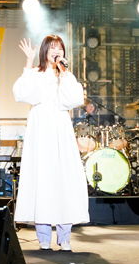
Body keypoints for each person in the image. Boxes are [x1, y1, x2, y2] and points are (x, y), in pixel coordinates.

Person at [13, 35, 90, 252]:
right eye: (53, 48)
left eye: (60, 48)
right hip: (40, 132)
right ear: (45, 50)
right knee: (42, 182)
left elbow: (73, 100)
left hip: (61, 132)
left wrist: (63, 73)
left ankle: (64, 237)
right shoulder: (36, 73)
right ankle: (44, 237)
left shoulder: (66, 75)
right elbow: (22, 94)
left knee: (64, 181)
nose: (57, 51)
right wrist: (28, 61)